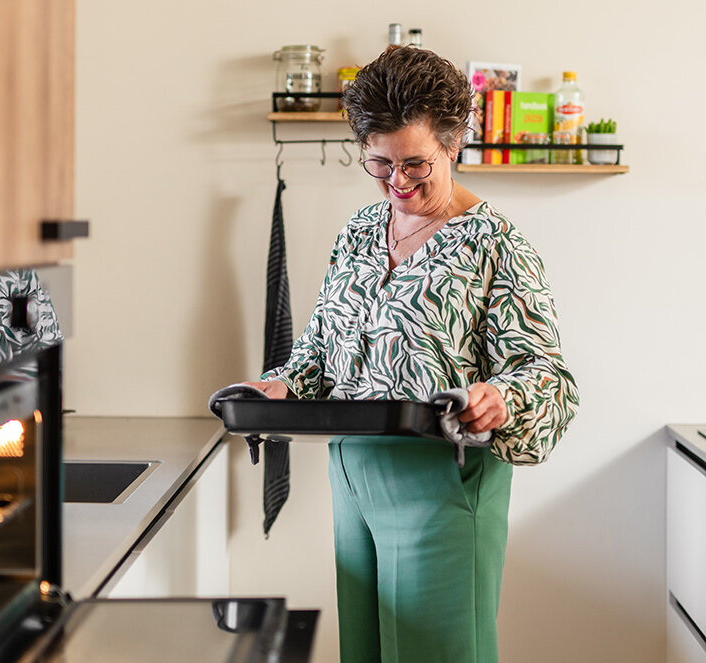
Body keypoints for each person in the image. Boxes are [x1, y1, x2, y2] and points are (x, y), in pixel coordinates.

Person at [246, 46, 579, 663]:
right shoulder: (360, 233)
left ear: (453, 144)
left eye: (415, 163)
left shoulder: (496, 245)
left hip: (442, 488)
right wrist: (281, 386)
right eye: (379, 163)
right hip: (351, 479)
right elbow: (320, 352)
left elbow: (548, 375)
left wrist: (500, 398)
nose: (397, 182)